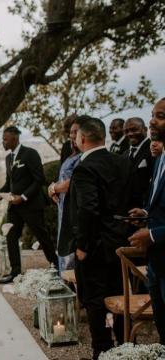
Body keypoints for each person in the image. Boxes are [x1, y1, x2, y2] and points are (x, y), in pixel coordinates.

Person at [69, 117, 130, 359]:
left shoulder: (85, 168)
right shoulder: (123, 162)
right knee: (120, 297)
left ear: (82, 139)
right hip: (122, 244)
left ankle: (102, 351)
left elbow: (88, 210)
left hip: (95, 247)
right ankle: (125, 350)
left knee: (94, 300)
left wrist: (83, 245)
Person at [0, 126, 58, 284]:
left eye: (5, 139)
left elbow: (39, 179)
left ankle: (56, 266)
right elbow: (9, 184)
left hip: (31, 205)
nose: (3, 142)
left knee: (42, 235)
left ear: (14, 138)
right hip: (14, 207)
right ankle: (15, 272)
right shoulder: (8, 158)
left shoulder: (30, 154)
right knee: (11, 236)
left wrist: (24, 197)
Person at [128, 97, 165, 343]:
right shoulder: (160, 157)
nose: (152, 120)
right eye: (153, 114)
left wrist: (153, 235)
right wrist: (146, 214)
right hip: (157, 262)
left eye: (160, 116)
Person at [49, 116, 84, 273]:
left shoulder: (83, 157)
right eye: (71, 132)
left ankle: (71, 280)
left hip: (73, 205)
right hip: (63, 204)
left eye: (75, 132)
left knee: (70, 245)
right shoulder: (70, 153)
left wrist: (56, 188)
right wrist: (53, 189)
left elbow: (73, 182)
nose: (72, 136)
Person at [123, 117, 154, 209]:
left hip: (145, 210)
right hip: (126, 211)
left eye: (134, 130)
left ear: (145, 129)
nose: (130, 134)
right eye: (126, 131)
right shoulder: (124, 154)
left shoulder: (153, 150)